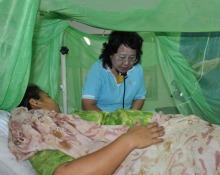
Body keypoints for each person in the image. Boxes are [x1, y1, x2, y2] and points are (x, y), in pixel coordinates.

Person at [11, 84, 165, 175]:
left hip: (160, 127)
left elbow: (110, 120)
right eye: (48, 96)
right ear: (35, 102)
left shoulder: (73, 119)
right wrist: (129, 140)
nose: (54, 100)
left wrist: (160, 119)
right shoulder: (35, 129)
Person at [82, 31, 146, 112]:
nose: (126, 63)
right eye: (122, 57)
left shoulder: (137, 70)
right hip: (100, 118)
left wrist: (130, 117)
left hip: (126, 118)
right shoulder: (97, 70)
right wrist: (111, 122)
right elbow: (88, 104)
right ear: (110, 54)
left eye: (132, 58)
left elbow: (139, 98)